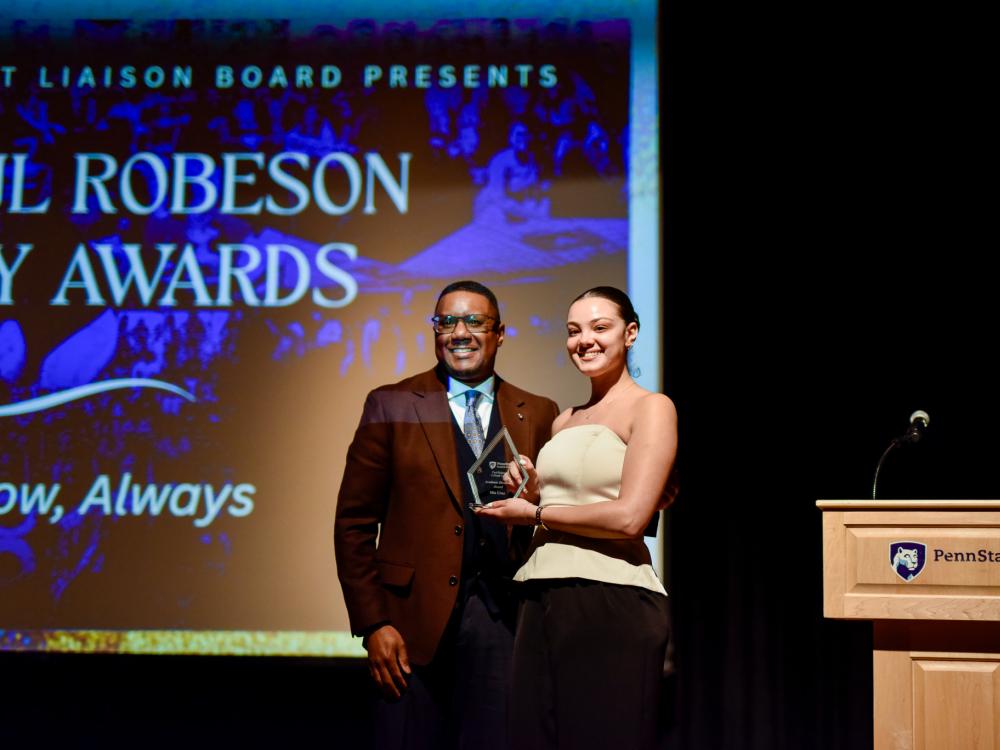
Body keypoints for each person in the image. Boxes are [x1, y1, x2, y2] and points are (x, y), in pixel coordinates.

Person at [334, 280, 560, 750]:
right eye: (447, 322)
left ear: (500, 333)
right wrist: (374, 623)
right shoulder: (391, 403)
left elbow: (549, 518)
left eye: (474, 321)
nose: (460, 332)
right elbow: (354, 524)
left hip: (504, 620)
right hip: (409, 625)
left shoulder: (538, 412)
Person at [475, 285, 678, 750]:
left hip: (611, 598)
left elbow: (630, 517)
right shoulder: (563, 419)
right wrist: (529, 486)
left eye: (599, 327)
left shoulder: (652, 408)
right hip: (539, 595)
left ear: (630, 334)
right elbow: (573, 497)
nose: (583, 340)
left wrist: (538, 512)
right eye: (573, 331)